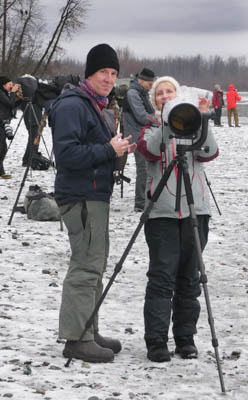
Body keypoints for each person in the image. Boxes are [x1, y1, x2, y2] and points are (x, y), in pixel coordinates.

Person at [49, 43, 135, 363]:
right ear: (90, 73)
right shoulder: (74, 105)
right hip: (81, 197)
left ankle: (89, 328)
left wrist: (117, 152)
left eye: (114, 73)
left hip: (95, 195)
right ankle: (76, 338)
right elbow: (67, 156)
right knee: (85, 266)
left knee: (96, 266)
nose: (109, 78)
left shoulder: (96, 105)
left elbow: (95, 151)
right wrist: (109, 151)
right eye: (103, 72)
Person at [137, 76, 219, 363]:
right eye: (159, 93)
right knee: (161, 277)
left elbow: (209, 152)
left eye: (169, 91)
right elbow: (149, 150)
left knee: (190, 278)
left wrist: (203, 119)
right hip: (162, 214)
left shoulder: (194, 124)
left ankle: (185, 338)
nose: (165, 95)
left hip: (196, 212)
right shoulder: (150, 127)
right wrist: (166, 122)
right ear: (154, 100)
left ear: (178, 93)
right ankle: (156, 340)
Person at [123, 67, 157, 212]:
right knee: (143, 170)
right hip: (138, 137)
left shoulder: (141, 93)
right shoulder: (133, 93)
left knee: (147, 169)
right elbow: (142, 116)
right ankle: (141, 203)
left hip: (144, 135)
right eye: (150, 83)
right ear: (142, 81)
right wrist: (159, 120)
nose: (151, 86)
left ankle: (146, 200)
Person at [0, 76, 19, 179]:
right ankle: (1, 172)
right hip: (0, 123)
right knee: (1, 148)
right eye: (10, 84)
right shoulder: (0, 93)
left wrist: (21, 99)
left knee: (3, 149)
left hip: (3, 123)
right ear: (4, 84)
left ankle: (1, 172)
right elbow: (10, 104)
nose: (12, 86)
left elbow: (11, 105)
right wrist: (14, 93)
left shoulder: (4, 93)